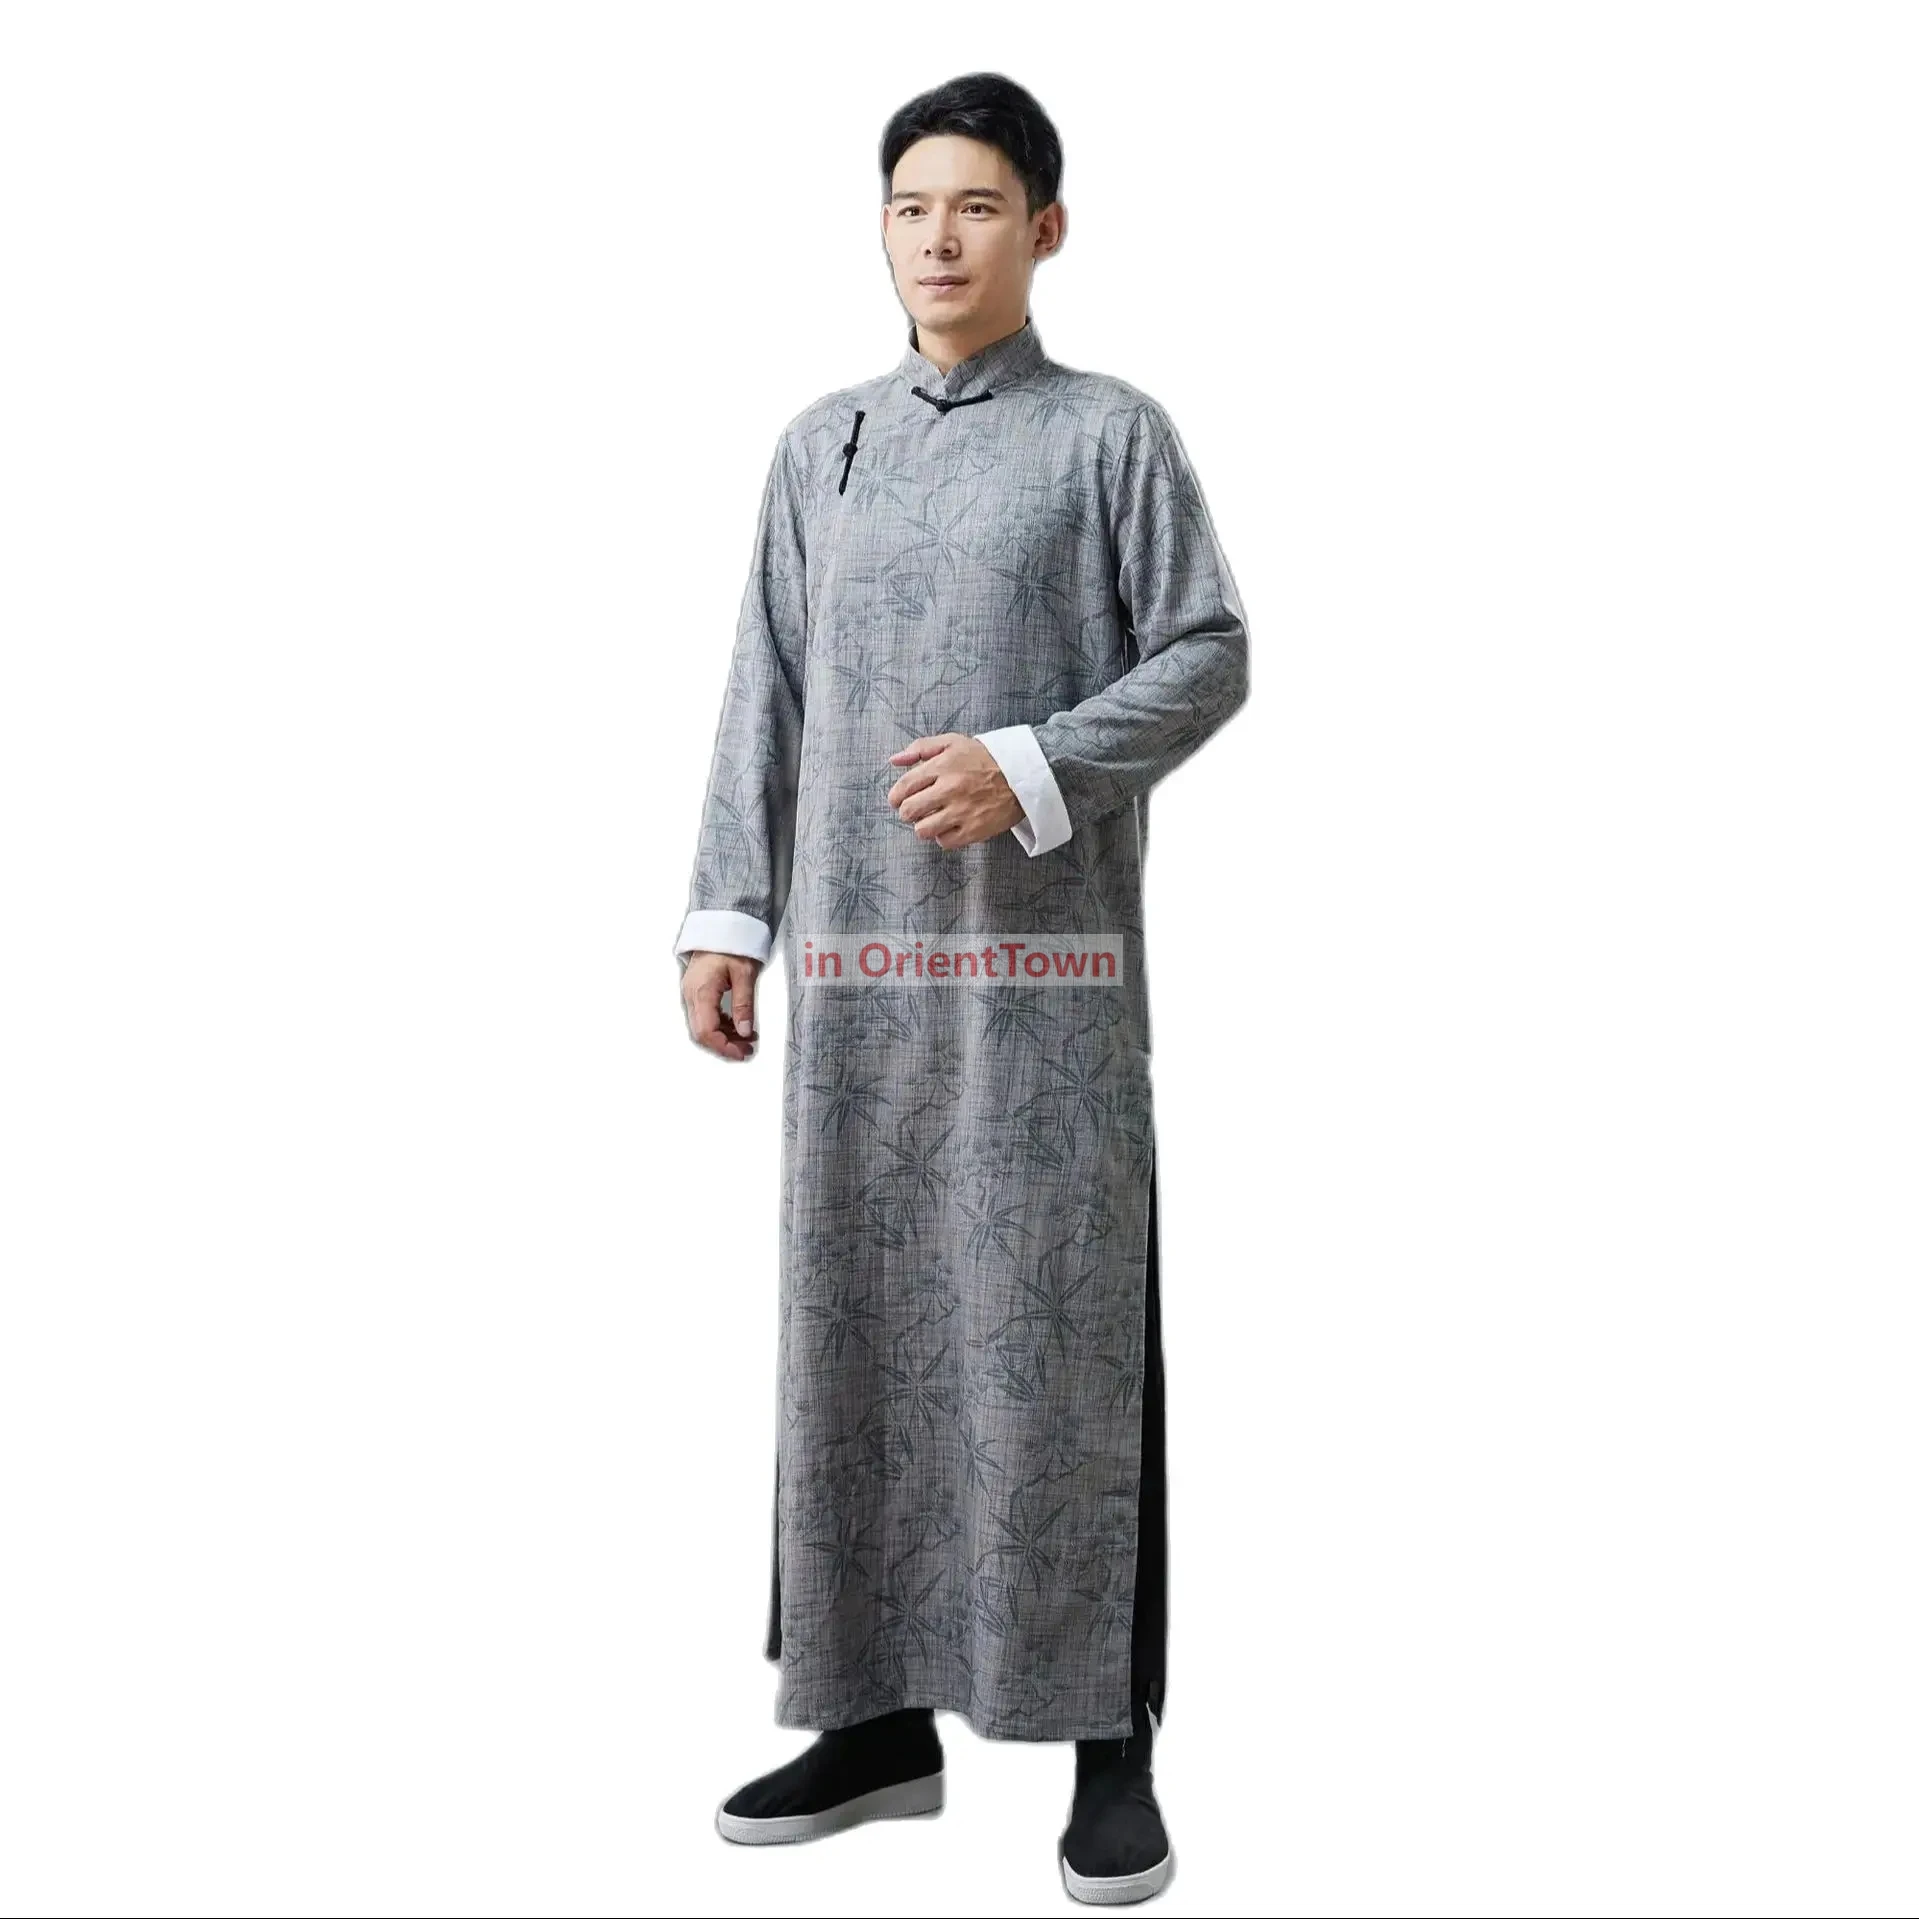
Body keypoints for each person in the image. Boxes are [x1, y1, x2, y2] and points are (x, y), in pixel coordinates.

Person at [674, 70, 1248, 1907]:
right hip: (857, 989)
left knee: (1055, 1343)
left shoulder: (1108, 437)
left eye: (979, 204)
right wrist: (727, 913)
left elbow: (1210, 652)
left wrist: (1032, 760)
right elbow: (766, 683)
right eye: (912, 204)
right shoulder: (821, 445)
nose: (940, 236)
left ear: (1045, 229)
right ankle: (870, 1716)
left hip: (1040, 990)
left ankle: (1107, 1743)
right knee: (855, 1321)